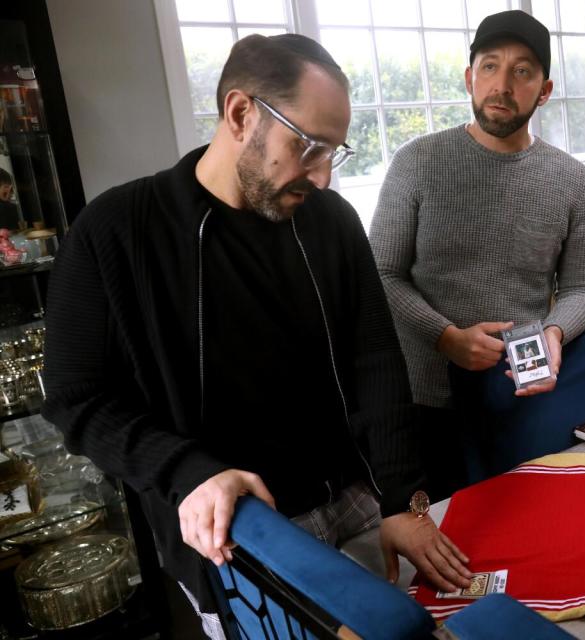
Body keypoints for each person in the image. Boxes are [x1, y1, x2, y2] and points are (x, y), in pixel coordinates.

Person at [41, 34, 470, 639]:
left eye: (334, 152)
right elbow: (75, 397)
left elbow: (375, 357)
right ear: (241, 114)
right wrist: (186, 468)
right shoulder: (114, 231)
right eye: (309, 147)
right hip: (242, 529)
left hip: (353, 496)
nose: (322, 176)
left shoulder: (333, 221)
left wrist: (402, 499)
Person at [368, 11, 585, 490]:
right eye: (490, 67)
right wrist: (445, 336)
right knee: (443, 544)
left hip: (521, 396)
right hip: (424, 404)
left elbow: (583, 288)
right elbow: (382, 274)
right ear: (469, 78)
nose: (502, 84)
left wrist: (556, 331)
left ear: (545, 89)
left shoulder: (572, 179)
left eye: (522, 71)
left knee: (528, 532)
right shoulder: (418, 162)